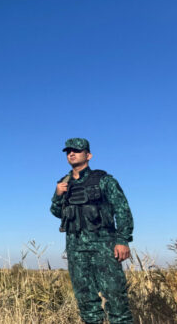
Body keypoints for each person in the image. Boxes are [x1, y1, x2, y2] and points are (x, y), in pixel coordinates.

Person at [50, 138, 134, 324]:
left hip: (104, 248)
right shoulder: (64, 184)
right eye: (68, 151)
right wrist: (57, 196)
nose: (71, 154)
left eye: (77, 150)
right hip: (76, 250)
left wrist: (122, 240)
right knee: (86, 302)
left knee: (117, 300)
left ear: (88, 155)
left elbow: (122, 210)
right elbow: (57, 212)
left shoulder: (105, 181)